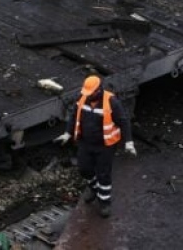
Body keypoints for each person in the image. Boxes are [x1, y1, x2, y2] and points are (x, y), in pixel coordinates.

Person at [55, 75, 136, 218]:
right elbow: (74, 116)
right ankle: (94, 188)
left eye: (90, 93)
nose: (87, 96)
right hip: (86, 143)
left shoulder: (111, 102)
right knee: (84, 169)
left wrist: (128, 142)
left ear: (98, 90)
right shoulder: (82, 98)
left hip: (105, 145)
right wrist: (67, 134)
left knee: (103, 173)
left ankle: (104, 202)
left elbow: (124, 121)